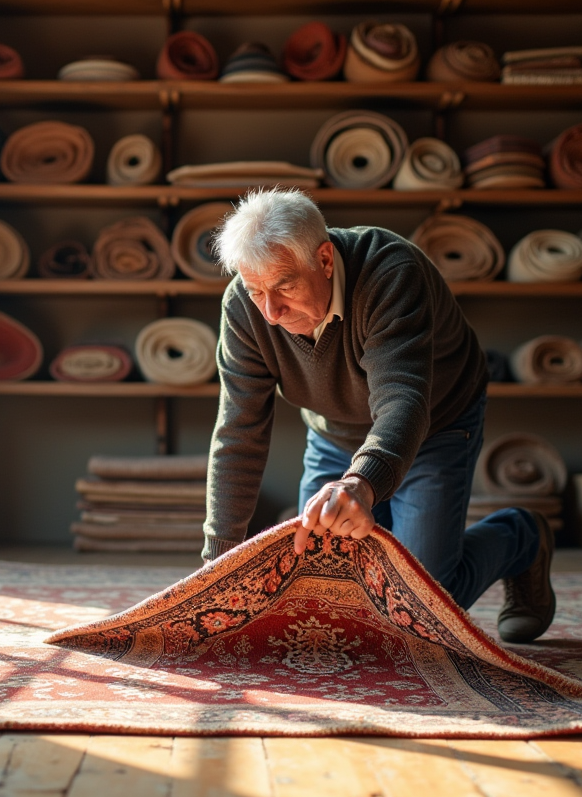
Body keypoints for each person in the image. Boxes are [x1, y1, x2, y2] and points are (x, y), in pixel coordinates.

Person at [200, 187, 556, 643]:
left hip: (435, 421)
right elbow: (238, 432)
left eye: (285, 286)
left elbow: (402, 402)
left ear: (325, 260)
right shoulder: (243, 309)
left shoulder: (391, 271)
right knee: (321, 590)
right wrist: (217, 564)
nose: (270, 312)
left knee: (422, 603)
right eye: (256, 291)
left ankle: (522, 537)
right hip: (336, 433)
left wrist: (359, 484)